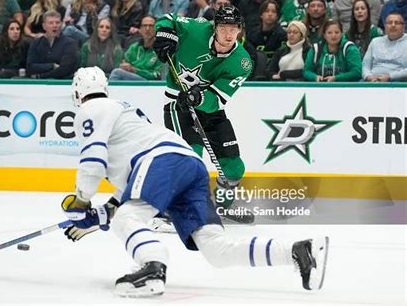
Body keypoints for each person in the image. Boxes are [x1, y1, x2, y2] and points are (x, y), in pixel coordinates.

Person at [61, 66, 330, 297]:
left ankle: (153, 267)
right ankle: (297, 251)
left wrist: (81, 201)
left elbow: (92, 162)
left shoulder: (90, 109)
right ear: (106, 88)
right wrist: (103, 213)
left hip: (160, 161)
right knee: (216, 249)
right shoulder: (120, 112)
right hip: (187, 164)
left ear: (76, 94)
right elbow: (129, 184)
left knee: (127, 218)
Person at [153, 5, 253, 223]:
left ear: (240, 30)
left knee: (234, 167)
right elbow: (167, 18)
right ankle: (172, 209)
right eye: (224, 27)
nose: (228, 34)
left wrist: (199, 98)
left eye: (234, 28)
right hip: (177, 105)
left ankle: (224, 206)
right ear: (214, 27)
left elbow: (217, 99)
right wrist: (164, 34)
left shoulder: (242, 62)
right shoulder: (196, 29)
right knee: (191, 158)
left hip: (211, 110)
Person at [27, 10, 79, 79]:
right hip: (39, 85)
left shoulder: (70, 43)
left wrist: (40, 76)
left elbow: (65, 69)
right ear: (44, 26)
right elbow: (30, 67)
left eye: (57, 23)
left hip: (62, 83)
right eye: (51, 23)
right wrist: (52, 66)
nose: (55, 25)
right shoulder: (36, 43)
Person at [108, 15, 162, 81]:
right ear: (140, 29)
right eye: (144, 26)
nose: (147, 29)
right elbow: (124, 63)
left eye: (151, 26)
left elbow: (158, 75)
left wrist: (136, 71)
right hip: (131, 80)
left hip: (151, 84)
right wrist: (124, 66)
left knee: (117, 73)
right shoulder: (134, 47)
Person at [363, 12, 407, 81]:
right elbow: (365, 66)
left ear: (403, 27)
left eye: (397, 23)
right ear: (385, 26)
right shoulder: (375, 42)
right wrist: (368, 77)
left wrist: (390, 77)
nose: (393, 25)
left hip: (398, 83)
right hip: (372, 81)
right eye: (389, 23)